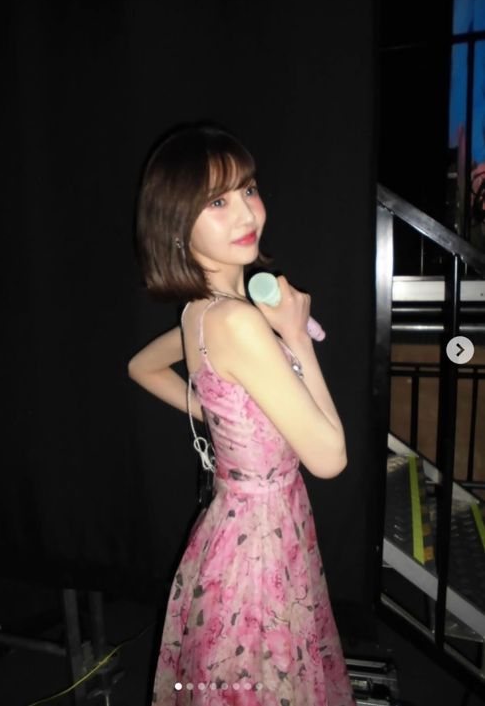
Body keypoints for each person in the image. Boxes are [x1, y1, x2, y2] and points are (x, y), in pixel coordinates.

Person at [128, 123, 356, 705]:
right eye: (217, 202)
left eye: (248, 190)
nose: (246, 212)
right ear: (176, 225)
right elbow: (330, 459)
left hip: (239, 526)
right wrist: (296, 337)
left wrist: (220, 416)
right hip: (260, 546)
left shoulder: (200, 311)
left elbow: (142, 367)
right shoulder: (237, 322)